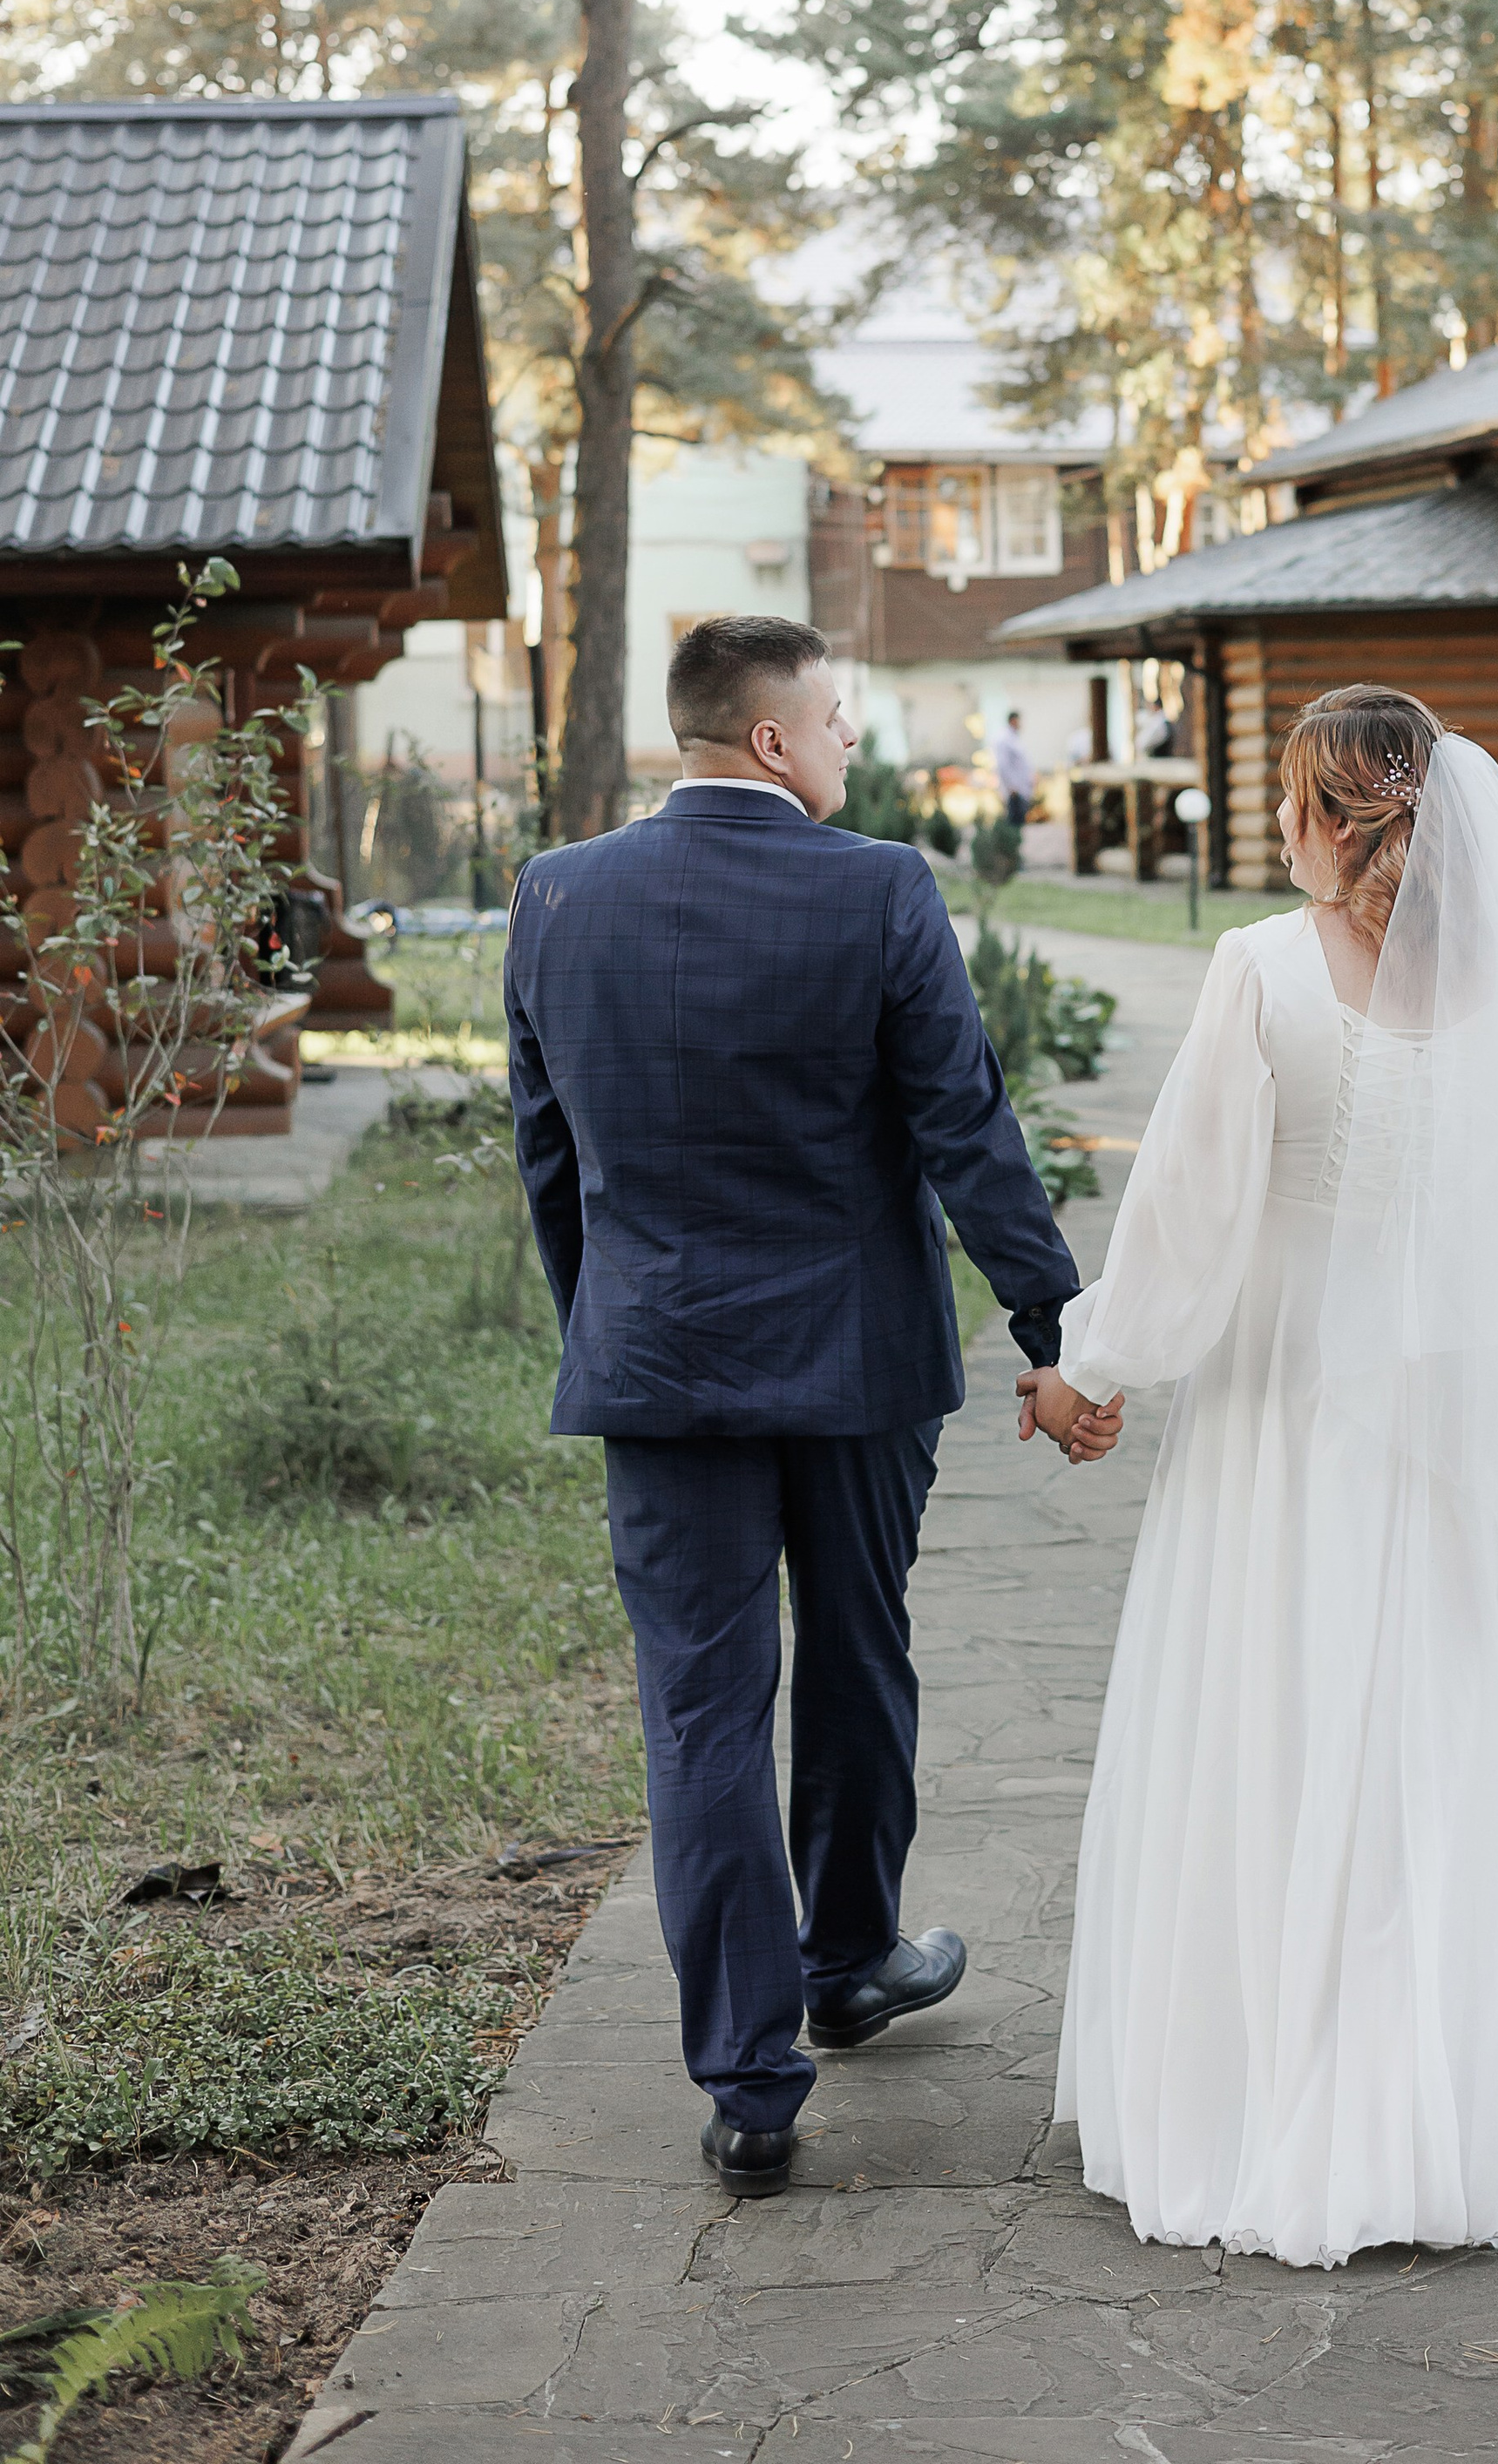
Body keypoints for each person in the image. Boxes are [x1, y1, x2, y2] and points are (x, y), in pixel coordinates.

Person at [1031, 683, 1498, 2268]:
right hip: (1473, 1433)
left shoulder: (1263, 973)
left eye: (1287, 800)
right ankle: (1477, 2113)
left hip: (1297, 1427)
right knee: (1464, 1742)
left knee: (1294, 1726)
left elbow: (1189, 1217)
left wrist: (1092, 1372)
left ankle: (1291, 2101)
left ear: (1320, 815)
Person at [506, 615, 1122, 2203]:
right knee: (854, 1654)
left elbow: (551, 1163)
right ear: (773, 739)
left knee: (703, 1707)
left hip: (657, 1368)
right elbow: (966, 1131)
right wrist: (1059, 1334)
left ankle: (752, 2081)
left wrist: (620, 1330)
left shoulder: (558, 896)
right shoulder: (881, 890)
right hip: (855, 1369)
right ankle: (848, 1959)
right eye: (838, 718)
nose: (851, 743)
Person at [993, 707, 1035, 828]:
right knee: (1014, 823)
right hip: (1014, 790)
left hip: (1020, 787)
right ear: (1013, 721)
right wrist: (1011, 786)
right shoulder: (1004, 739)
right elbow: (1003, 765)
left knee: (1020, 822)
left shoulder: (1013, 738)